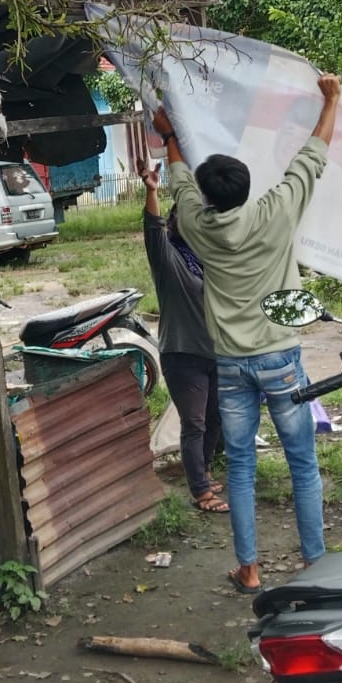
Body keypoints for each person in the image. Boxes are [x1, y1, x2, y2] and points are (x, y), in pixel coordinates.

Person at [154, 72, 342, 594]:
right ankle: (314, 563)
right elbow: (313, 154)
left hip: (231, 364)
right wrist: (332, 99)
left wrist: (170, 135)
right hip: (281, 357)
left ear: (210, 196)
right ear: (246, 186)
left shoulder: (195, 223)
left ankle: (250, 569)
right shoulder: (277, 211)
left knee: (238, 468)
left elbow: (179, 181)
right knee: (302, 461)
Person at [140, 164, 225, 513]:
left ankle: (203, 470)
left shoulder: (209, 257)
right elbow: (152, 230)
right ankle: (200, 491)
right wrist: (152, 191)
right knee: (195, 423)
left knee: (216, 417)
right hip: (183, 354)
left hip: (216, 352)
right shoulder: (169, 258)